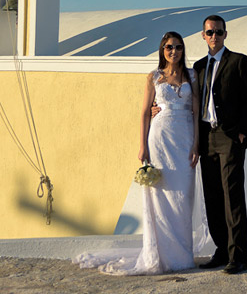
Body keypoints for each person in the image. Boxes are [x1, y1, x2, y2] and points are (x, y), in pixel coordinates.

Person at [75, 31, 200, 275]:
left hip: (185, 139)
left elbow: (195, 111)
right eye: (168, 47)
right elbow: (144, 112)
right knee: (161, 198)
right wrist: (142, 145)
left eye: (178, 47)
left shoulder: (192, 75)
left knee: (182, 199)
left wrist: (196, 144)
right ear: (162, 50)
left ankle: (182, 257)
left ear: (183, 50)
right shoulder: (153, 77)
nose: (173, 51)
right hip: (160, 139)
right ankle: (162, 256)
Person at [194, 15, 247, 275]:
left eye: (218, 32)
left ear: (225, 34)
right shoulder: (198, 67)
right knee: (212, 196)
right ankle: (222, 250)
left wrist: (242, 133)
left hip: (229, 137)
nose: (214, 36)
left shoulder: (239, 62)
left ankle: (239, 256)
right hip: (206, 137)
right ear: (203, 35)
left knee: (232, 197)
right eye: (210, 32)